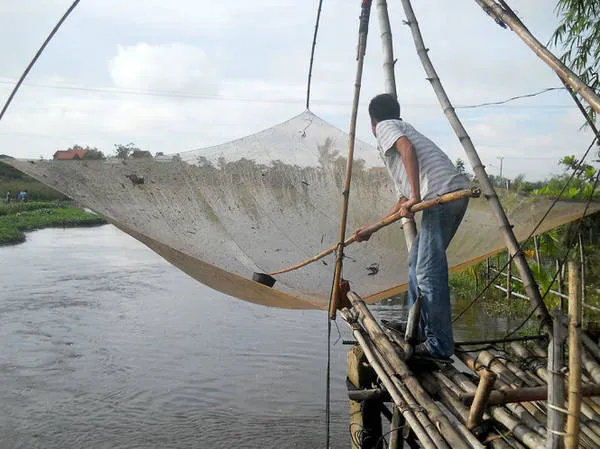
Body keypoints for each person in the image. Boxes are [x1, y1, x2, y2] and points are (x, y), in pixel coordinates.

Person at [354, 93, 469, 359]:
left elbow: (407, 148)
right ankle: (416, 329)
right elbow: (403, 201)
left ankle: (438, 345)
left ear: (373, 122)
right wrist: (372, 228)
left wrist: (417, 195)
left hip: (440, 198)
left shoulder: (386, 127)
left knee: (428, 272)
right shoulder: (401, 135)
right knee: (416, 265)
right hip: (445, 196)